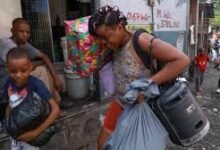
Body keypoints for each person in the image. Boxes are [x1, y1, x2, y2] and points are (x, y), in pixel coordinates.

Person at [88, 5, 190, 150]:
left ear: (119, 27)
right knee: (103, 144)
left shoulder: (141, 40)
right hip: (120, 102)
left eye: (106, 37)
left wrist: (149, 84)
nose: (104, 42)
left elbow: (182, 60)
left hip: (143, 108)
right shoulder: (113, 47)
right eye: (100, 39)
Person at [3, 47, 60, 150]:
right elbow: (9, 105)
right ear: (7, 68)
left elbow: (56, 110)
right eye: (13, 71)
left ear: (30, 68)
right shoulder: (9, 83)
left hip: (32, 136)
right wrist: (8, 124)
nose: (18, 75)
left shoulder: (36, 84)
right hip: (15, 135)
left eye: (23, 71)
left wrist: (35, 132)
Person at [0, 18, 63, 102]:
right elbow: (25, 67)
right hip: (6, 84)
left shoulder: (22, 43)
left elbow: (44, 56)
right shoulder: (7, 45)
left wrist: (56, 78)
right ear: (13, 31)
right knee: (41, 70)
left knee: (44, 68)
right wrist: (41, 62)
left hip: (18, 78)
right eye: (21, 32)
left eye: (28, 32)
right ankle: (51, 104)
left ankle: (54, 102)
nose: (25, 35)